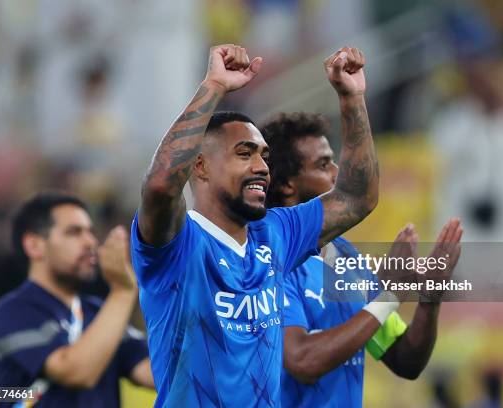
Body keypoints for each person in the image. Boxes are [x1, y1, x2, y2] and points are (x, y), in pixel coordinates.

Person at [131, 44, 380, 406]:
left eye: (265, 156)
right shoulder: (178, 244)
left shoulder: (275, 233)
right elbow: (159, 185)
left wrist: (352, 98)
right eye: (244, 154)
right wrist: (213, 87)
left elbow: (357, 198)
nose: (262, 168)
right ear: (199, 167)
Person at [260, 112, 463, 407]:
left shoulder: (344, 255)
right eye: (322, 164)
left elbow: (405, 360)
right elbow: (302, 360)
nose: (337, 171)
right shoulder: (271, 258)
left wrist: (430, 297)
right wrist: (389, 295)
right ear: (287, 185)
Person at [0, 191, 154, 407]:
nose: (91, 242)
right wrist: (122, 292)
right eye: (74, 232)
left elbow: (155, 374)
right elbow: (75, 372)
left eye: (90, 232)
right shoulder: (12, 312)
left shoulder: (99, 312)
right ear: (34, 245)